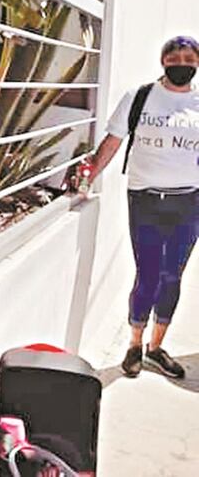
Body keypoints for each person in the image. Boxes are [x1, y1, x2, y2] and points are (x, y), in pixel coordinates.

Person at [86, 35, 199, 379]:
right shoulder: (140, 97)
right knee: (147, 274)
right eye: (175, 59)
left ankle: (156, 347)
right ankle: (134, 344)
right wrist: (89, 175)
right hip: (145, 200)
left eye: (190, 59)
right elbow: (113, 141)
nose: (182, 65)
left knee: (172, 276)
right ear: (163, 61)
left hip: (189, 203)